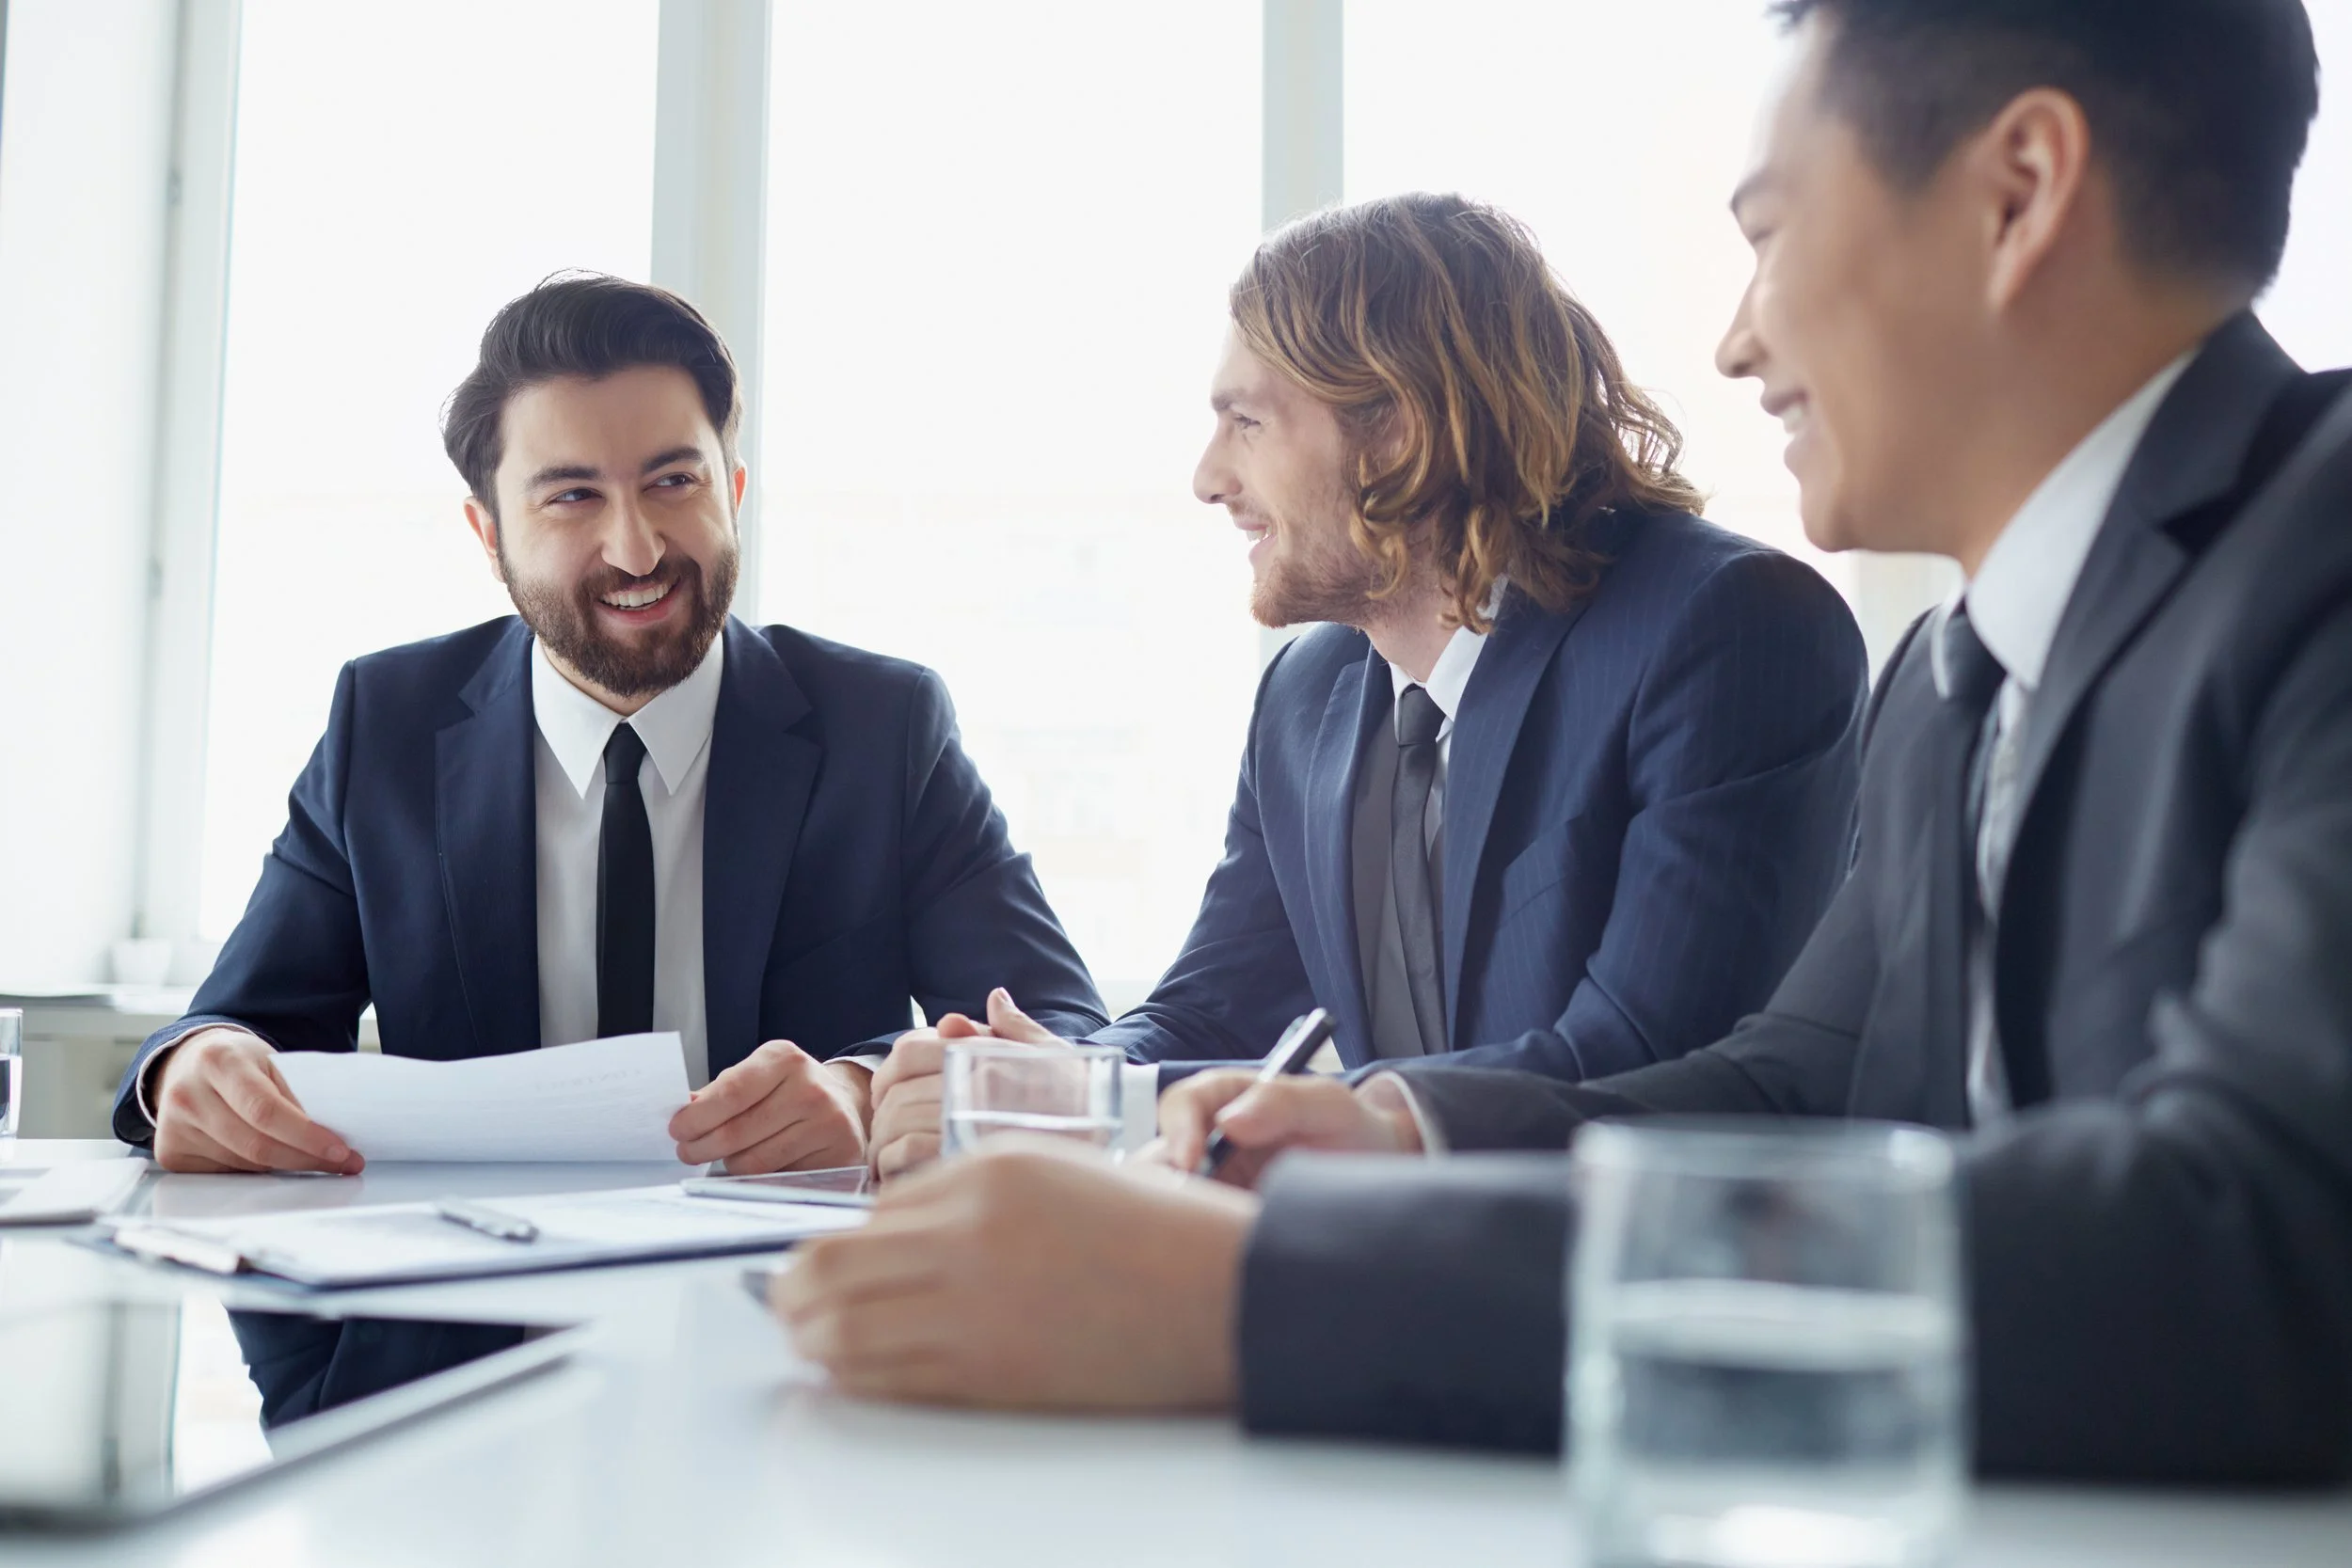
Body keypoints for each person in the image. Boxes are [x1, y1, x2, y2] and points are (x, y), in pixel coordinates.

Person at [774, 0, 2352, 1484]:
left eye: (1770, 235)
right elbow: (1805, 1093)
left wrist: (1266, 1289)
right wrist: (1399, 1121)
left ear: (2018, 195)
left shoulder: (2319, 553)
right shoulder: (1954, 673)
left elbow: (2265, 1236)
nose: (1735, 343)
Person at [863, 195, 1869, 1174]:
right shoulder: (1305, 694)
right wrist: (1052, 1084)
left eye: (1245, 422)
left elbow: (1636, 1060)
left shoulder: (1725, 629)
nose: (1207, 478)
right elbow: (1210, 1011)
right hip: (1403, 1285)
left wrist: (1117, 1108)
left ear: (1399, 428)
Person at [116, 275, 1105, 1174]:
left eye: (675, 482)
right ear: (488, 534)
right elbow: (239, 1023)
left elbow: (1059, 1034)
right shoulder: (386, 725)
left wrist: (864, 1087)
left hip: (790, 1312)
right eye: (573, 496)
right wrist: (194, 1070)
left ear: (736, 493)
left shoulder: (881, 728)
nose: (635, 549)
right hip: (467, 1322)